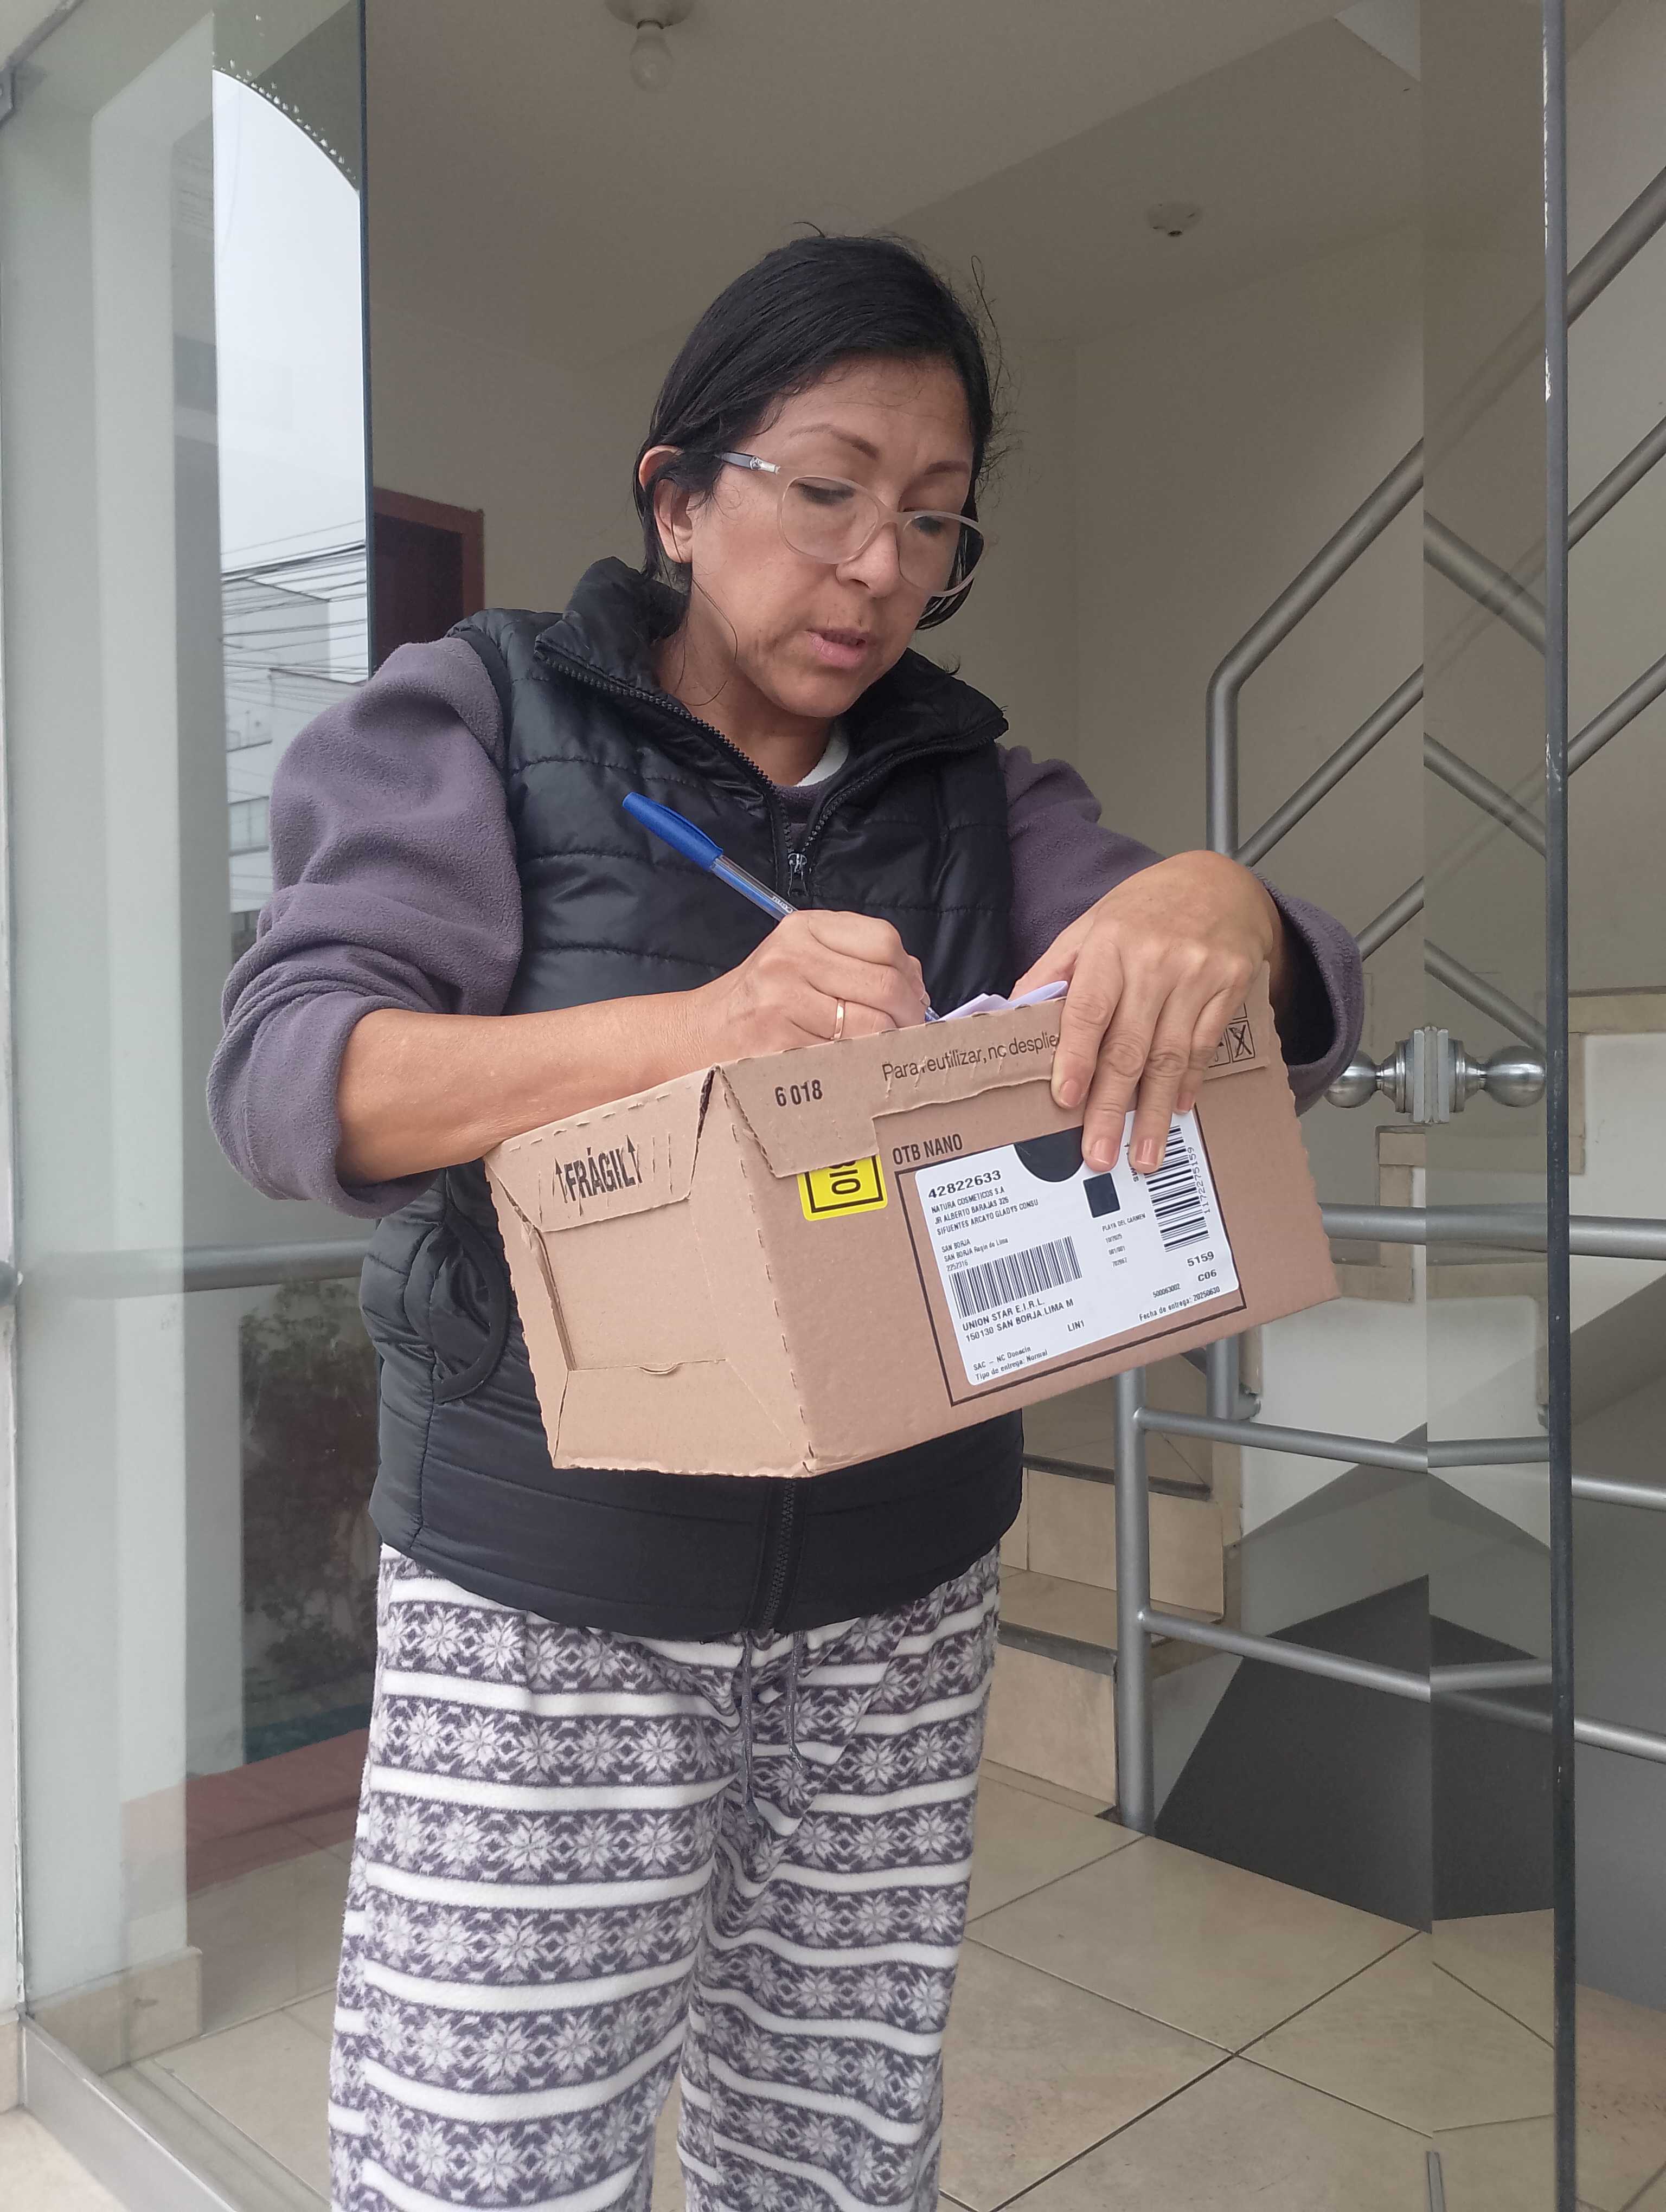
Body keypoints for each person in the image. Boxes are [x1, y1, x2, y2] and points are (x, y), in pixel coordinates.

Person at [212, 234, 1362, 2212]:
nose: (878, 568)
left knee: (836, 2146)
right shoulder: (475, 716)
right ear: (676, 496)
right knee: (484, 2159)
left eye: (933, 520)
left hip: (900, 1598)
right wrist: (698, 1031)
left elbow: (1270, 996)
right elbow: (295, 1076)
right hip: (549, 1584)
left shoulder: (976, 792)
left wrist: (1219, 902)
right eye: (828, 490)